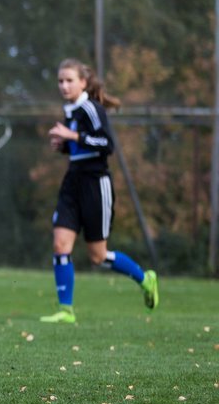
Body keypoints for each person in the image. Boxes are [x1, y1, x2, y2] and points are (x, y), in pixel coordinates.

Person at [40, 58, 158, 323]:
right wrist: (63, 146)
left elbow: (105, 144)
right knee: (60, 245)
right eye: (60, 81)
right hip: (73, 180)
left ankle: (144, 278)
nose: (64, 85)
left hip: (96, 183)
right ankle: (65, 310)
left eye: (69, 80)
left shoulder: (92, 109)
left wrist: (73, 138)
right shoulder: (69, 111)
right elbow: (78, 149)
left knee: (98, 256)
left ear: (83, 82)